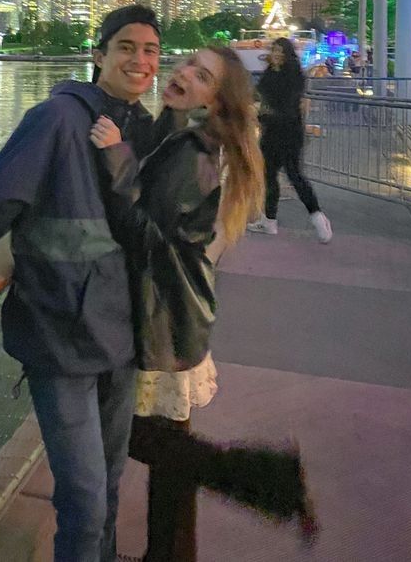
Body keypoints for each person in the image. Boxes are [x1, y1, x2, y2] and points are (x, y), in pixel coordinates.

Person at [0, 5, 162, 562]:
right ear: (98, 55)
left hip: (121, 337)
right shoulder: (58, 120)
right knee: (86, 500)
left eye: (151, 50)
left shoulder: (138, 126)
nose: (140, 60)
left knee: (109, 487)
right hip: (61, 335)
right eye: (126, 48)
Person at [91, 46, 315, 560]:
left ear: (216, 102)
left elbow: (151, 235)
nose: (183, 73)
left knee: (131, 435)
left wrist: (116, 156)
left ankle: (265, 479)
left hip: (164, 317)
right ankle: (176, 548)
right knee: (164, 447)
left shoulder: (194, 154)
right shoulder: (183, 137)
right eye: (187, 63)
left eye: (202, 75)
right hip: (177, 314)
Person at [247, 38, 333, 243]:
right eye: (274, 50)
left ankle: (318, 218)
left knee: (294, 175)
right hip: (270, 132)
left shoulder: (294, 75)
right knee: (268, 176)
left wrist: (262, 115)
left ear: (287, 54)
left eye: (280, 51)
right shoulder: (269, 73)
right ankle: (269, 221)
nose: (276, 54)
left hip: (288, 132)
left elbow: (287, 107)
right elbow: (257, 96)